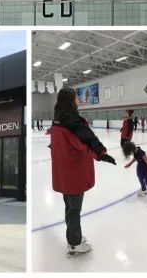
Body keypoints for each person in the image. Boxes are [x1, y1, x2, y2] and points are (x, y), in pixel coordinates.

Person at [49, 88, 117, 256]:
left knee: (69, 207)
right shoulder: (73, 122)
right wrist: (101, 153)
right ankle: (74, 243)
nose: (79, 100)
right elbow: (87, 140)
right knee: (74, 210)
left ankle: (73, 237)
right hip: (74, 174)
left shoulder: (57, 120)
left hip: (63, 173)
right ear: (71, 100)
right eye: (76, 97)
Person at [123, 141, 147, 206]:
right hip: (140, 166)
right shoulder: (135, 151)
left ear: (131, 149)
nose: (129, 154)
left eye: (129, 152)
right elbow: (135, 158)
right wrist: (129, 164)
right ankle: (144, 189)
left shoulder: (141, 153)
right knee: (140, 178)